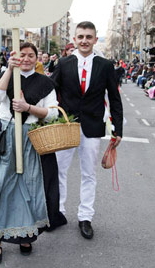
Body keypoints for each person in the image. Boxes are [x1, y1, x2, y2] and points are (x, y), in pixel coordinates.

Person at [0, 42, 67, 265]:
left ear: (37, 58)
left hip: (33, 139)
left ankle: (24, 235)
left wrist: (28, 107)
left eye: (31, 55)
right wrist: (9, 70)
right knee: (0, 187)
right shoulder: (7, 74)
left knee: (29, 189)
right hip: (8, 138)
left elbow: (51, 114)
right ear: (15, 56)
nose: (27, 58)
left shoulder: (46, 82)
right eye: (22, 55)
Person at [51, 21, 123, 240]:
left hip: (92, 127)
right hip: (66, 125)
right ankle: (58, 212)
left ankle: (85, 217)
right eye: (80, 36)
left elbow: (114, 97)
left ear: (95, 39)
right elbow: (50, 90)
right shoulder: (63, 63)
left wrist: (117, 129)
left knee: (88, 174)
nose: (84, 41)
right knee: (59, 171)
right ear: (74, 39)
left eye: (88, 37)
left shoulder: (105, 65)